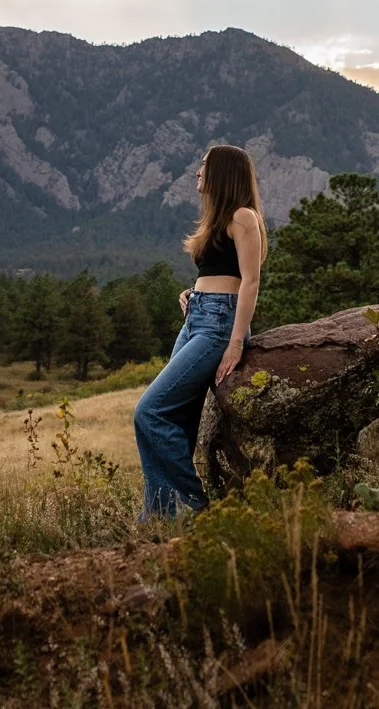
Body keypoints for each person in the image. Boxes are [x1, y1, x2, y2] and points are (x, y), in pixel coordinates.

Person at [133, 142, 265, 518]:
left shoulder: (243, 216)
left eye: (205, 165)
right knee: (175, 417)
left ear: (222, 172)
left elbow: (251, 281)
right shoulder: (220, 220)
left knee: (149, 412)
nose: (198, 171)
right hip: (198, 317)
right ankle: (160, 516)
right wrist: (193, 293)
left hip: (220, 325)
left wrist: (236, 342)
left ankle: (198, 508)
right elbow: (217, 273)